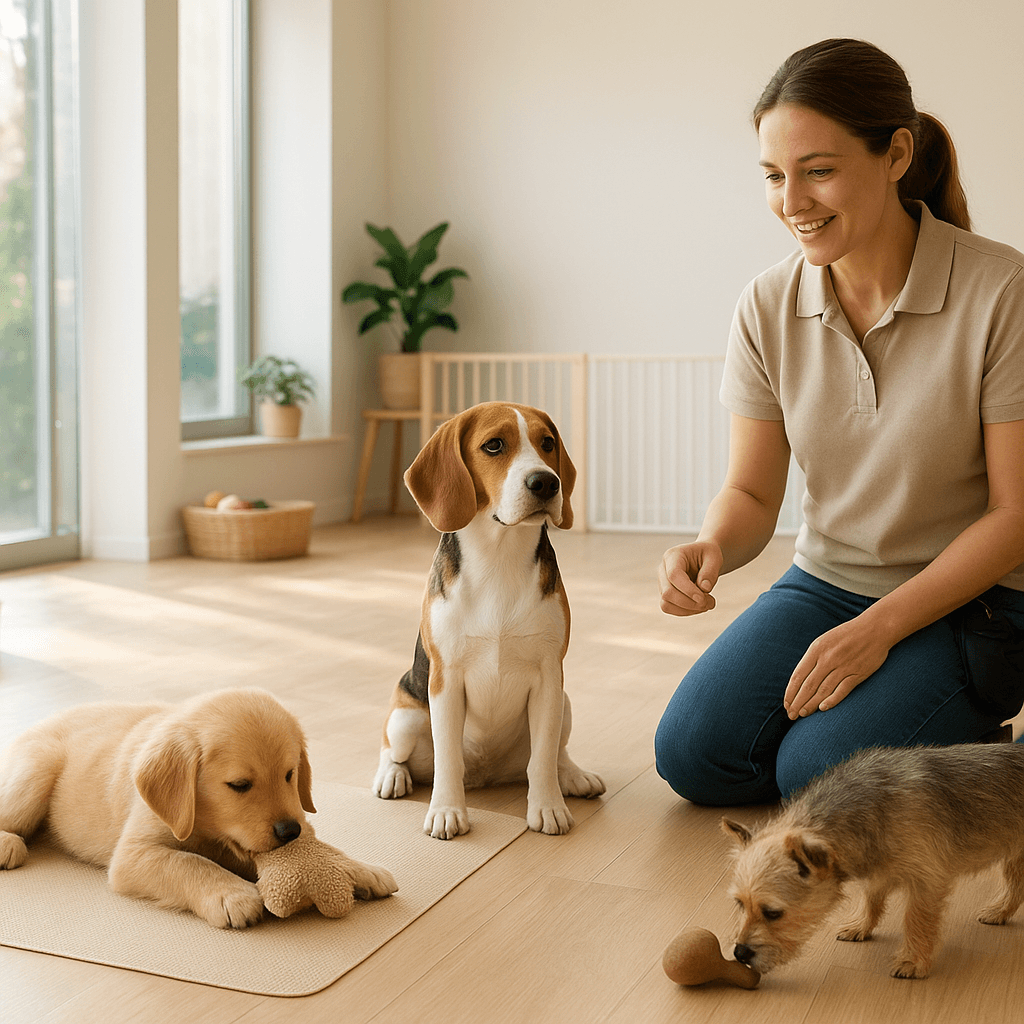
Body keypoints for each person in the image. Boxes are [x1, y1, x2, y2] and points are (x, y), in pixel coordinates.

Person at [654, 38, 1024, 806]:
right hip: (827, 583)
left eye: (817, 171)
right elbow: (753, 493)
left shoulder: (1002, 290)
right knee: (692, 755)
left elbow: (1014, 516)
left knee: (812, 774)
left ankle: (967, 725)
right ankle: (921, 736)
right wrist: (712, 545)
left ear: (895, 154)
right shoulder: (765, 304)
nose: (792, 203)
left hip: (972, 602)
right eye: (773, 176)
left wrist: (884, 629)